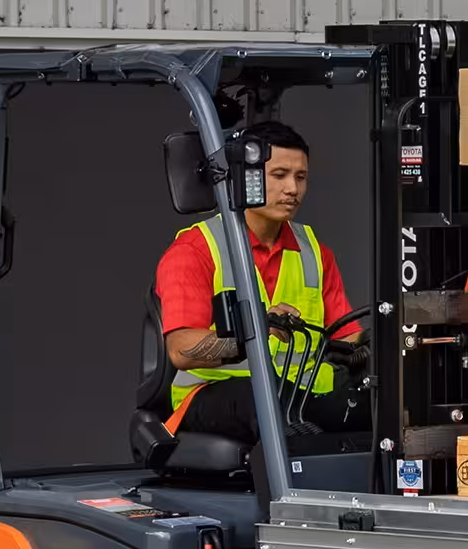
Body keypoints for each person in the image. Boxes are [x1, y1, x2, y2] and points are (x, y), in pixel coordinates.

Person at [155, 121, 362, 443]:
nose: (292, 189)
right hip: (217, 395)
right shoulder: (196, 249)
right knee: (265, 401)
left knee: (377, 407)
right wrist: (256, 330)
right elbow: (182, 351)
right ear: (244, 178)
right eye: (279, 175)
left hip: (299, 395)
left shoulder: (315, 252)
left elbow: (349, 337)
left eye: (301, 177)